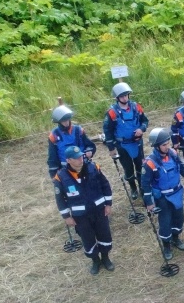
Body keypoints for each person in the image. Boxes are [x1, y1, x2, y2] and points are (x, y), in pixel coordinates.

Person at [53, 146, 114, 275]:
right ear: (68, 160)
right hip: (80, 216)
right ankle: (95, 261)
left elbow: (105, 185)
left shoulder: (93, 167)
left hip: (99, 210)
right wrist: (66, 217)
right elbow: (60, 199)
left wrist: (108, 204)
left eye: (81, 156)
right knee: (87, 238)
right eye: (76, 158)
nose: (80, 159)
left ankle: (106, 258)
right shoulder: (61, 177)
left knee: (104, 234)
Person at [141, 128, 184, 260]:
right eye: (164, 145)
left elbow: (182, 167)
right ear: (156, 146)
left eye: (168, 143)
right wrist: (149, 202)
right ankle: (166, 245)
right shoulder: (149, 163)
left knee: (179, 218)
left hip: (177, 192)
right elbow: (145, 184)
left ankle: (175, 238)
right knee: (165, 222)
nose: (167, 146)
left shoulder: (173, 154)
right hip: (163, 198)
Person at [103, 82, 149, 199]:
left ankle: (142, 188)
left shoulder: (136, 107)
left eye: (126, 95)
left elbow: (145, 121)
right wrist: (111, 148)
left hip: (137, 142)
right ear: (117, 98)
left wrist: (141, 129)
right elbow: (107, 131)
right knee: (128, 169)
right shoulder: (112, 112)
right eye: (122, 96)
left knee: (140, 167)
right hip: (122, 145)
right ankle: (133, 188)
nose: (125, 98)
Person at [47, 105, 96, 178]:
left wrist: (89, 151)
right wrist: (54, 174)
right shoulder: (53, 135)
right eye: (64, 121)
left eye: (67, 119)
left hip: (82, 165)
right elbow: (52, 157)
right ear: (59, 122)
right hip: (66, 169)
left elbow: (90, 145)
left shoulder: (78, 130)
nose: (66, 122)